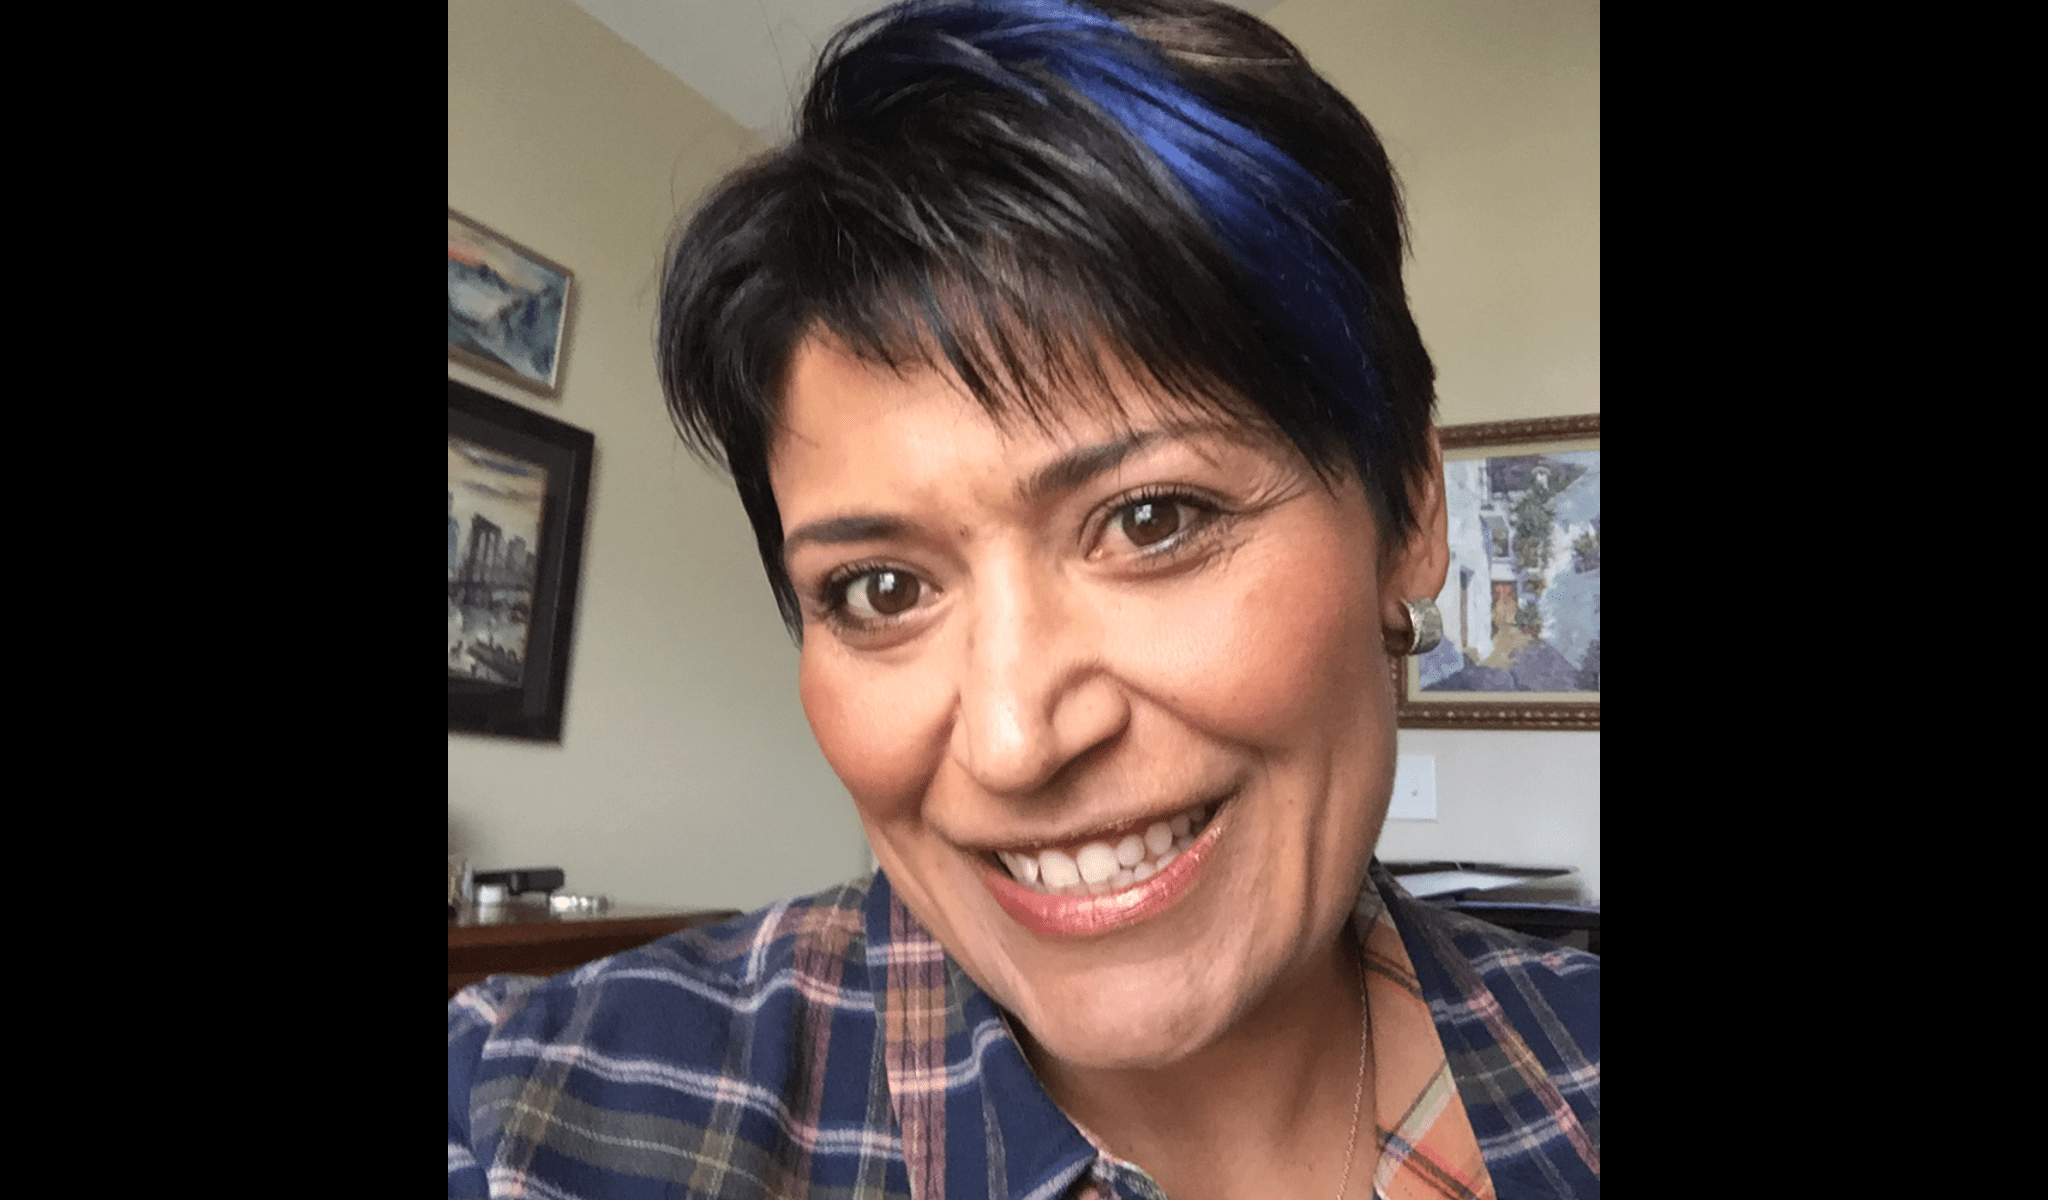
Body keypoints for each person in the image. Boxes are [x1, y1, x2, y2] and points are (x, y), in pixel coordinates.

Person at [447, 2, 1598, 1197]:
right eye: (880, 588)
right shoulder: (531, 1116)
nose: (1013, 741)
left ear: (1408, 514)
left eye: (1151, 520)